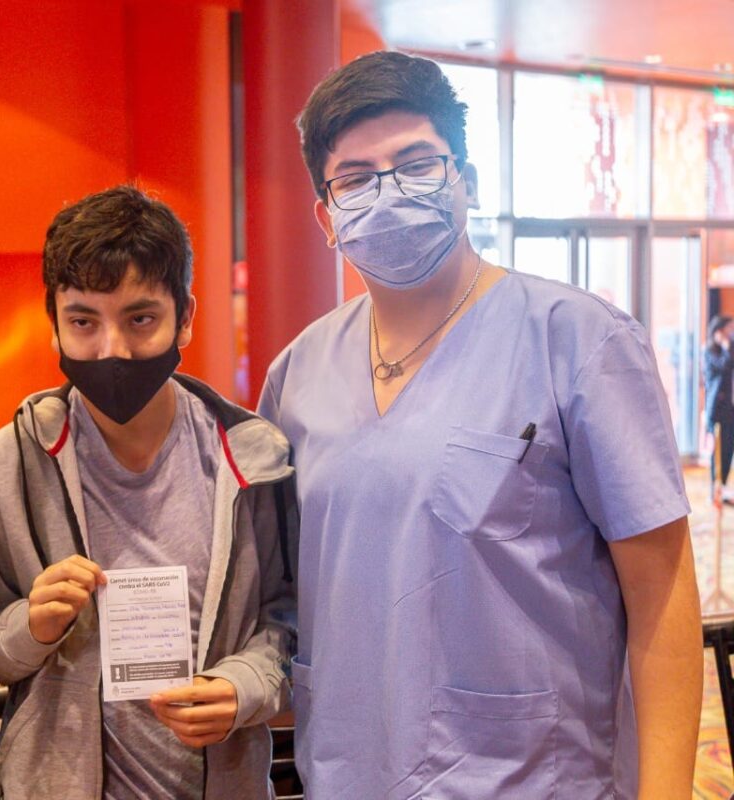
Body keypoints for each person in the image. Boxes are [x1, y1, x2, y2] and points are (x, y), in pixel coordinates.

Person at [259, 51, 702, 799]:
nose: (389, 193)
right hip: (348, 772)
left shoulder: (578, 342)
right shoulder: (299, 373)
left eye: (416, 165)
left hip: (537, 778)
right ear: (326, 216)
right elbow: (284, 587)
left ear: (466, 180)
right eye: (355, 179)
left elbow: (662, 602)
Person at [0, 185, 297, 800]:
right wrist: (32, 626)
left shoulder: (255, 462)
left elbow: (287, 619)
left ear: (185, 316)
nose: (112, 349)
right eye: (83, 322)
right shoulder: (5, 466)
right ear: (53, 323)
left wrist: (243, 687)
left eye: (140, 319)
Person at [705, 314, 734, 499]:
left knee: (729, 449)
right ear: (719, 331)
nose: (731, 333)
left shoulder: (729, 349)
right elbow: (724, 367)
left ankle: (722, 488)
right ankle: (714, 490)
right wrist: (725, 346)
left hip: (731, 408)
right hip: (717, 409)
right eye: (729, 329)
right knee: (718, 451)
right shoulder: (710, 351)